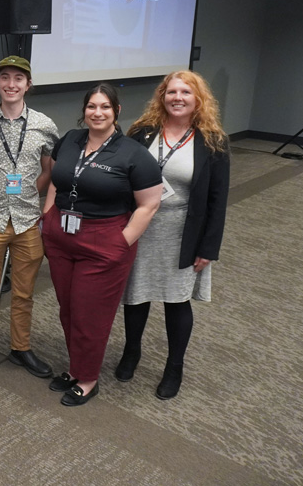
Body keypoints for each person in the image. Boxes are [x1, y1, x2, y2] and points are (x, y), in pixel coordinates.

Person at [40, 83, 162, 406]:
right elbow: (56, 179)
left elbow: (149, 204)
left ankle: (89, 378)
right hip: (62, 235)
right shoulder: (69, 140)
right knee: (68, 309)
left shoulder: (134, 154)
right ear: (84, 111)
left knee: (89, 314)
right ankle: (75, 368)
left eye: (105, 107)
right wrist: (48, 215)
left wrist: (122, 242)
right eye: (92, 106)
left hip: (105, 240)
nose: (97, 112)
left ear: (117, 111)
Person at [116, 71, 230, 399]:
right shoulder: (142, 132)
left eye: (185, 92)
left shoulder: (213, 140)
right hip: (141, 228)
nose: (177, 97)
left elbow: (217, 200)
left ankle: (174, 366)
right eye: (171, 92)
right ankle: (131, 351)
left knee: (176, 302)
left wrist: (208, 247)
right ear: (162, 97)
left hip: (183, 233)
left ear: (198, 100)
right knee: (135, 296)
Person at [0, 56, 59, 380]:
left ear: (28, 85)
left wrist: (32, 194)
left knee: (23, 291)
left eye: (18, 79)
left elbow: (50, 170)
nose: (11, 84)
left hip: (28, 219)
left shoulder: (44, 125)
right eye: (4, 78)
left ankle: (21, 348)